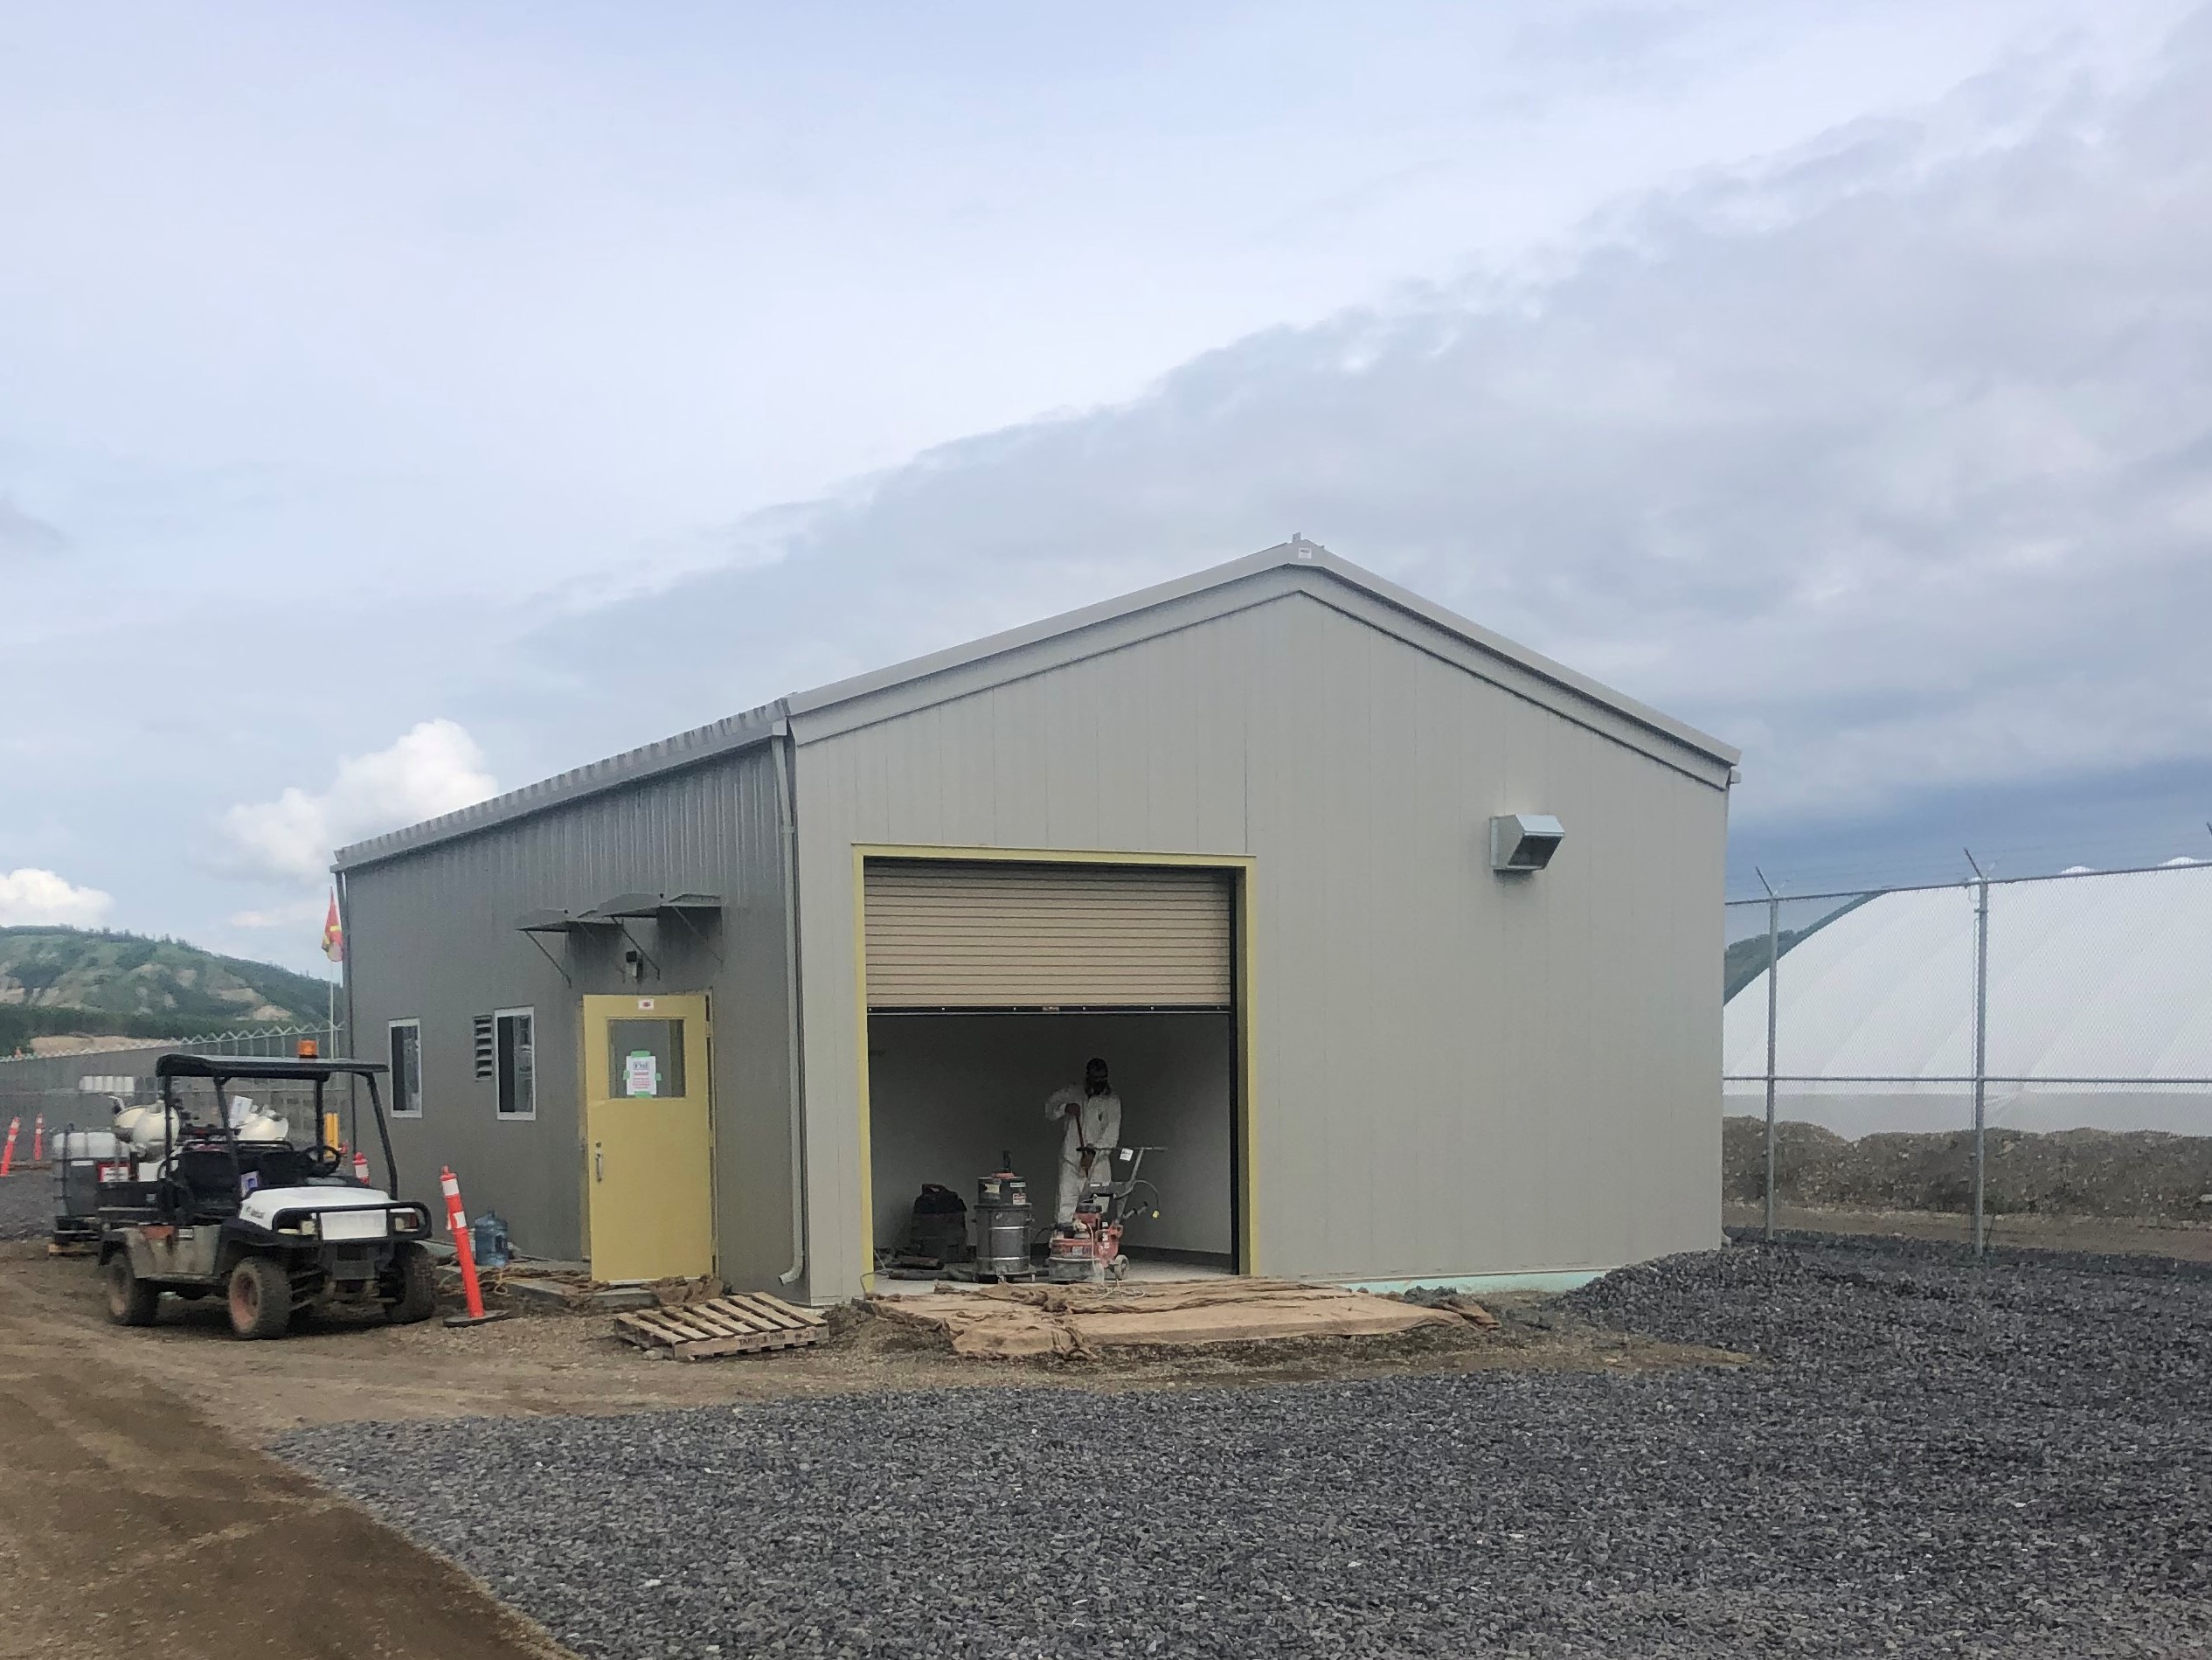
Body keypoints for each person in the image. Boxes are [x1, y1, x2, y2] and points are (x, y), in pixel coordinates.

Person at [1044, 1057, 1122, 1228]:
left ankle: (1094, 1245)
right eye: (1095, 1078)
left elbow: (1111, 1132)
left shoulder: (1112, 1101)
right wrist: (1065, 1108)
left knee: (1098, 1205)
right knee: (1066, 1202)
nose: (1099, 1083)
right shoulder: (1073, 1093)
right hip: (1071, 1159)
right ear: (1088, 1077)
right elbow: (1049, 1108)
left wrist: (1093, 1153)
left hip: (1097, 1163)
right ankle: (1064, 1243)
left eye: (1102, 1079)